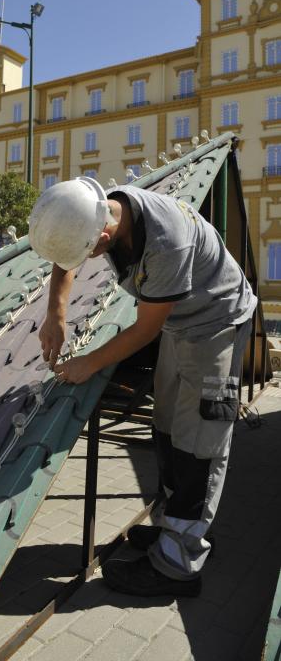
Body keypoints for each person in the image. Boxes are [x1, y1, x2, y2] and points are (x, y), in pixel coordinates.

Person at [28, 176, 256, 597]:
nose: (86, 260)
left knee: (199, 442)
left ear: (104, 235)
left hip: (217, 323)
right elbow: (67, 255)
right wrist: (55, 314)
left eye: (90, 251)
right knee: (166, 426)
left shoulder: (167, 243)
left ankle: (179, 563)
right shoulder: (93, 209)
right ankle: (174, 527)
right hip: (180, 323)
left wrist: (88, 363)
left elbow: (145, 330)